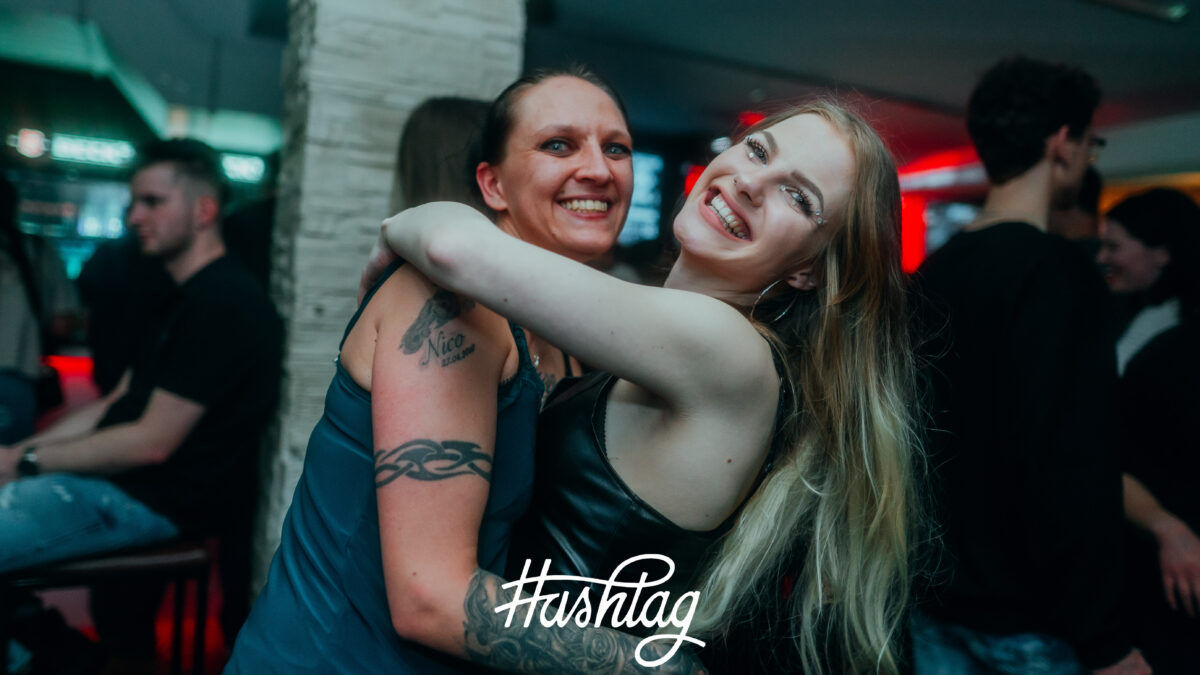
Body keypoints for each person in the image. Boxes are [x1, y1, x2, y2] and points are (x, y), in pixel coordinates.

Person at [381, 98, 923, 674]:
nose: (750, 182)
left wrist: (395, 235)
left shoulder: (727, 349)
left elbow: (449, 248)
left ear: (808, 270)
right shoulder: (681, 345)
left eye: (798, 196)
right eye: (758, 151)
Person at [226, 71, 705, 674]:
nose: (598, 170)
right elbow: (429, 598)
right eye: (559, 145)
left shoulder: (563, 333)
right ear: (492, 184)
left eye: (616, 148)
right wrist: (657, 667)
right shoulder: (453, 306)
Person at [0, 139, 283, 668]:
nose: (134, 217)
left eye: (153, 202)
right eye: (133, 203)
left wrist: (26, 461)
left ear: (204, 210)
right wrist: (17, 455)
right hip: (122, 486)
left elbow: (152, 442)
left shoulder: (227, 303)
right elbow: (116, 401)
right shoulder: (180, 296)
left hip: (154, 500)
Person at [912, 56, 1148, 674]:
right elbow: (1070, 463)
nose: (1088, 155)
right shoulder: (1061, 274)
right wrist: (1104, 639)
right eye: (1090, 141)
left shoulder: (935, 271)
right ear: (1062, 142)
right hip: (1030, 623)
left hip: (932, 600)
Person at [1098, 188, 1200, 673]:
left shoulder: (1175, 342)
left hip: (1172, 568)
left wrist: (1169, 529)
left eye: (1115, 245)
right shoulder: (1129, 316)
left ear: (1162, 251)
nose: (1103, 258)